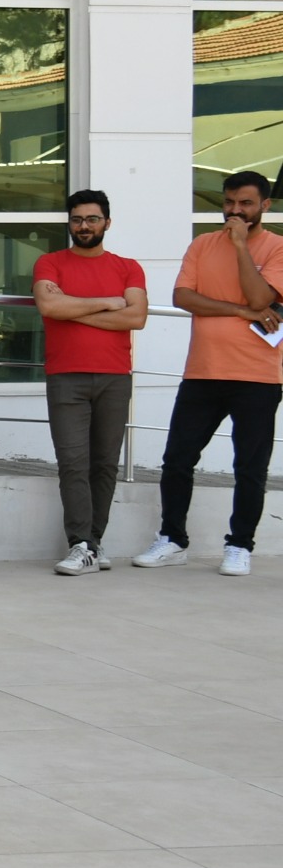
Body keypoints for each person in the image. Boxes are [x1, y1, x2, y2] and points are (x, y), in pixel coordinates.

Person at [135, 169, 283, 575]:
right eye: (229, 202)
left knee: (249, 467)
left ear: (265, 206)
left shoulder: (277, 248)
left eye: (246, 204)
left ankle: (239, 545)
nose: (236, 211)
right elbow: (183, 296)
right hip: (202, 372)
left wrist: (239, 248)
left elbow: (261, 296)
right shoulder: (201, 244)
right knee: (178, 459)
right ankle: (172, 538)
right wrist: (239, 310)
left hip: (257, 377)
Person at [34, 191, 149, 575]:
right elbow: (50, 307)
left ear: (107, 223)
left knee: (104, 465)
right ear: (69, 223)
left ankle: (93, 545)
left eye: (92, 219)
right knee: (72, 462)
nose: (84, 226)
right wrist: (107, 302)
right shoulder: (49, 263)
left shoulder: (128, 267)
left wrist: (74, 308)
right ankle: (79, 543)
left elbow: (136, 318)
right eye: (78, 219)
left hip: (115, 377)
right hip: (65, 376)